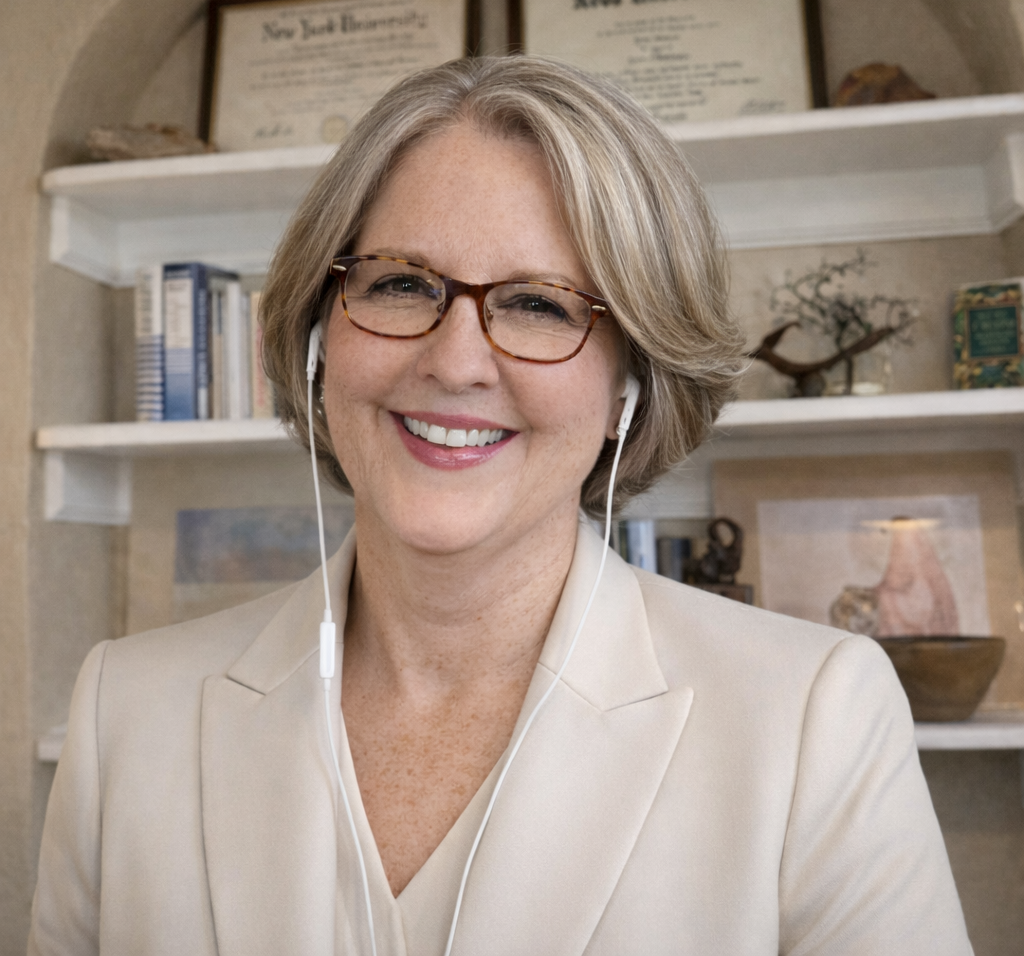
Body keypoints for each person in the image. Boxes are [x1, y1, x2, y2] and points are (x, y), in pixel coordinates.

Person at [29, 55, 972, 956]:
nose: (455, 361)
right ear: (318, 343)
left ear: (631, 384)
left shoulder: (813, 718)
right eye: (401, 284)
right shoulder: (128, 712)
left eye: (539, 305)